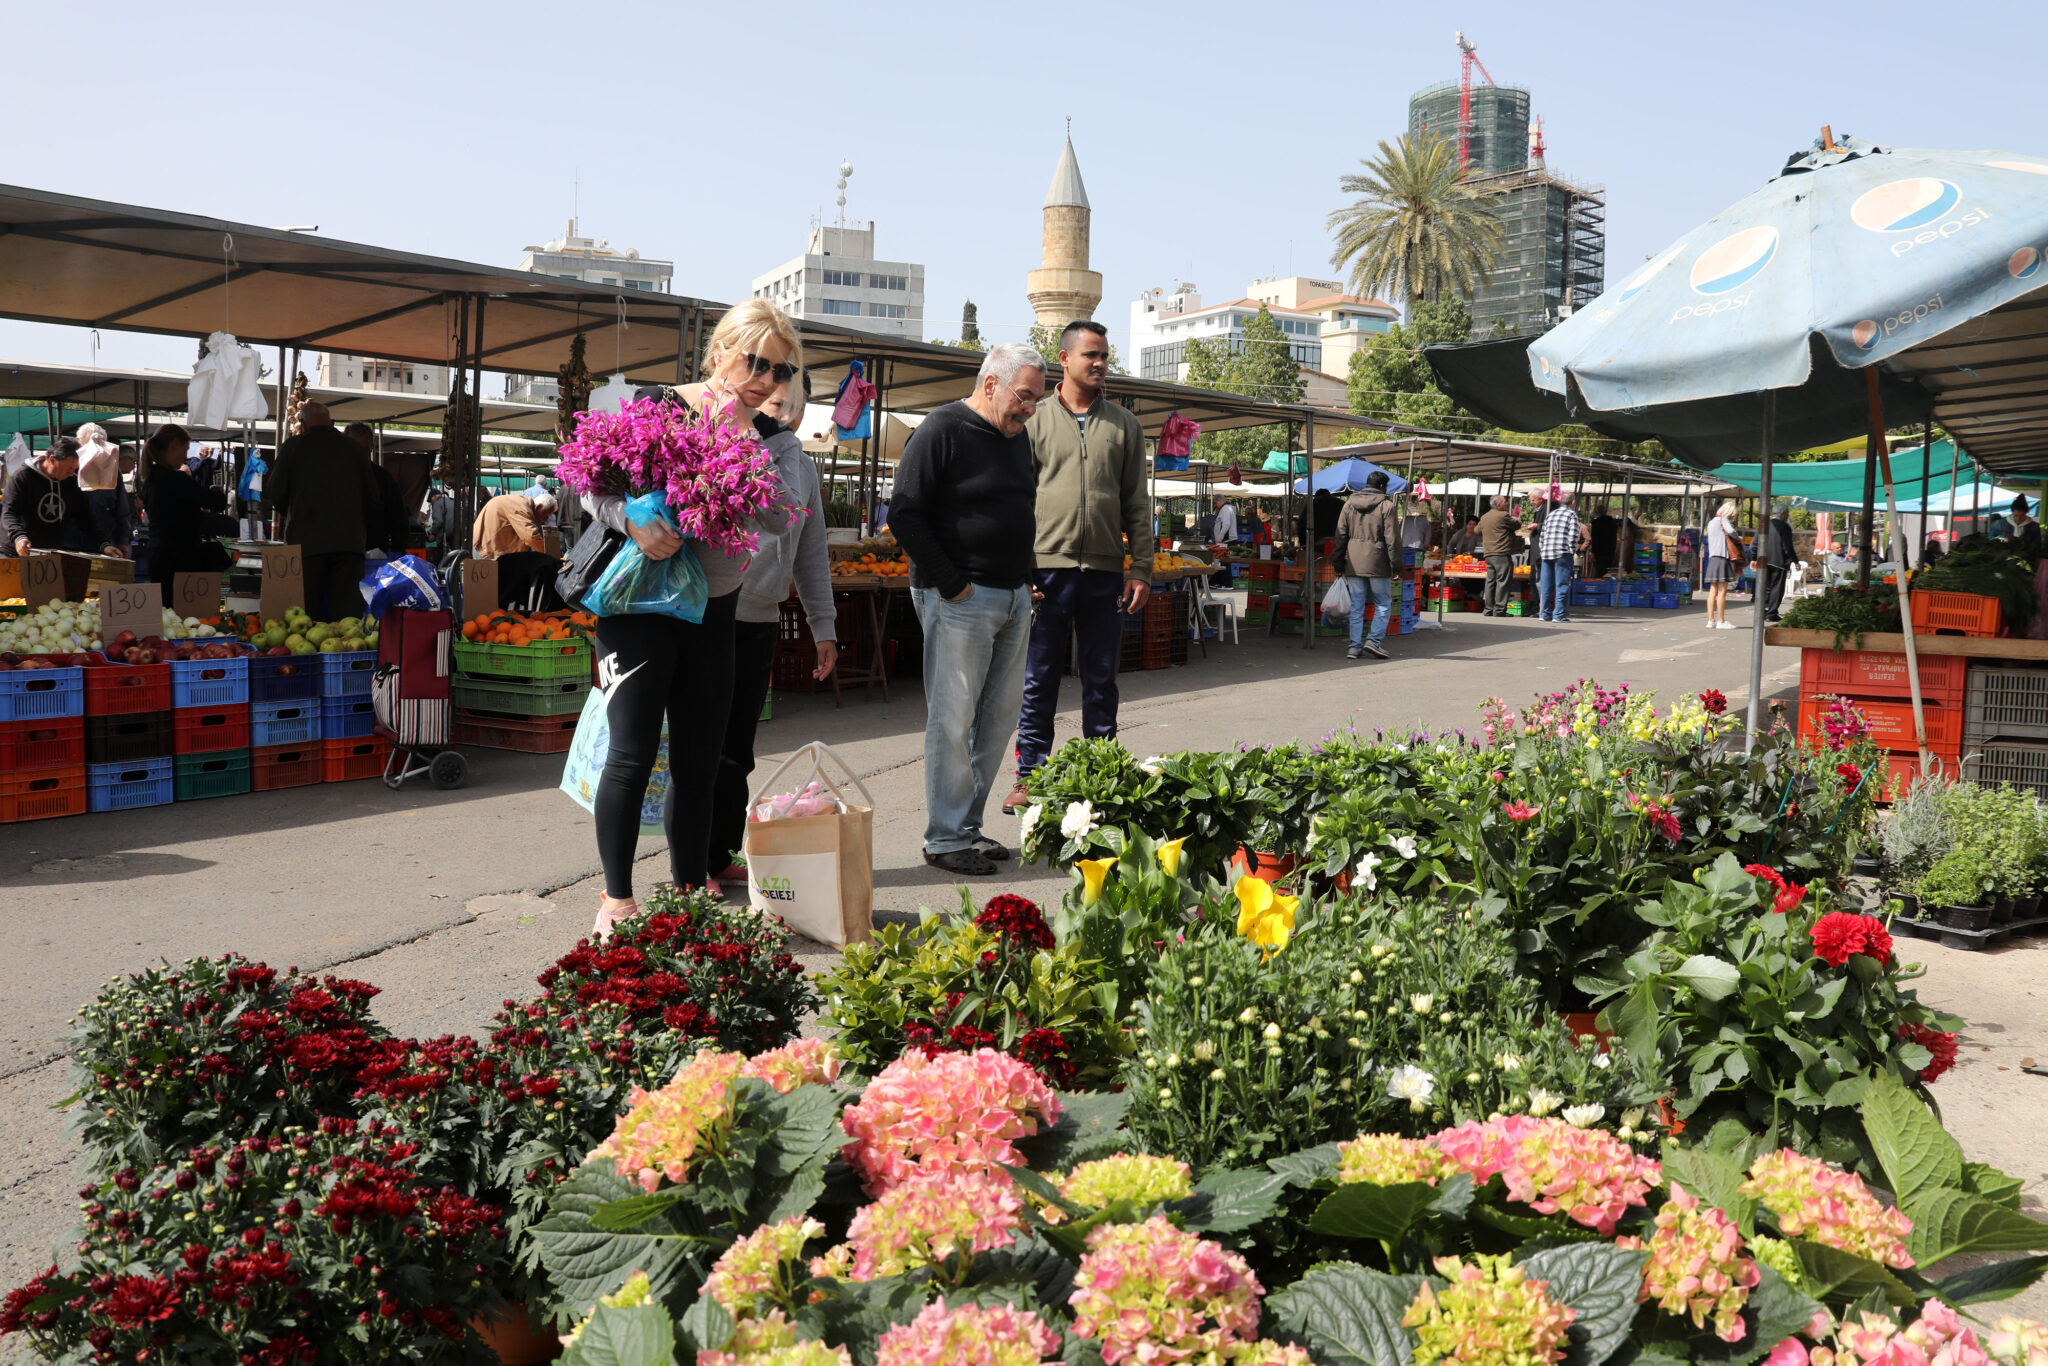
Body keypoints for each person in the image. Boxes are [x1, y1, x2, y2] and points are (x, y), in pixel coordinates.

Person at [586, 298, 804, 936]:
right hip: (639, 607)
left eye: (780, 371)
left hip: (717, 609)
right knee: (630, 754)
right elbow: (589, 484)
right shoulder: (661, 404)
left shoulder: (772, 439)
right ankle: (616, 901)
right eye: (755, 362)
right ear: (720, 353)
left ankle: (687, 899)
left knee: (700, 761)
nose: (765, 379)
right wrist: (630, 518)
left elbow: (783, 516)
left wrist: (743, 453)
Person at [890, 342, 1044, 876]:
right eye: (1023, 397)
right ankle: (943, 839)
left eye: (1035, 401)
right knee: (953, 720)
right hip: (960, 598)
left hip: (1011, 597)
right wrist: (953, 586)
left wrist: (1026, 580)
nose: (1028, 409)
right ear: (990, 383)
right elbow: (904, 514)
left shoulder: (1019, 439)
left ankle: (967, 827)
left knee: (998, 719)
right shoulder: (941, 429)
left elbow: (1018, 509)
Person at [1009, 320, 1150, 814]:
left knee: (1101, 677)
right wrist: (1020, 570)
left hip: (1107, 571)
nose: (1100, 363)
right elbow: (1018, 500)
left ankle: (1102, 774)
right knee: (1039, 677)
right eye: (1091, 354)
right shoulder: (1034, 420)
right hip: (1046, 570)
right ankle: (1030, 776)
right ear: (1063, 360)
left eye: (1104, 355)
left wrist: (1142, 569)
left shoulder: (1124, 425)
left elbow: (1138, 503)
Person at [711, 371, 838, 883]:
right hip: (714, 612)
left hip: (762, 616)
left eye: (792, 408)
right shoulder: (730, 450)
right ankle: (693, 865)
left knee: (738, 751)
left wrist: (822, 626)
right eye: (775, 404)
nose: (781, 417)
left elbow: (811, 551)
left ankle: (719, 853)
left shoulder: (803, 469)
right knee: (706, 747)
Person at [266, 401, 384, 618]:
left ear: (301, 424)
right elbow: (373, 497)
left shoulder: (293, 447)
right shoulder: (355, 449)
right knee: (346, 618)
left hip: (306, 544)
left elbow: (275, 493)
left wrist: (297, 514)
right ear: (332, 423)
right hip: (349, 544)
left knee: (305, 614)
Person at [138, 423, 236, 582]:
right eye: (185, 449)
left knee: (164, 606)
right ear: (174, 445)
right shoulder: (176, 479)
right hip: (179, 558)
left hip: (157, 555)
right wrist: (219, 491)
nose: (186, 456)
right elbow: (216, 502)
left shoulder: (150, 480)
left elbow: (174, 512)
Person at [3, 437, 127, 558]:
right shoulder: (22, 477)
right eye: (69, 468)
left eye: (74, 469)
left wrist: (104, 545)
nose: (71, 473)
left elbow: (86, 519)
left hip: (48, 555)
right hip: (13, 552)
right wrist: (19, 537)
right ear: (52, 459)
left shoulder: (71, 483)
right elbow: (9, 513)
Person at [1335, 469, 1401, 660]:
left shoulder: (1348, 504)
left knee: (1357, 605)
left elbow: (1340, 536)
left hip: (1354, 562)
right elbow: (1393, 540)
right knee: (1382, 603)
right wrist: (1396, 566)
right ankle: (1373, 641)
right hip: (1378, 562)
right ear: (1382, 486)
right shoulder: (1387, 506)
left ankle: (1354, 647)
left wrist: (1338, 563)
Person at [343, 423, 410, 554]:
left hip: (372, 551)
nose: (359, 454)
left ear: (371, 447)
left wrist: (397, 550)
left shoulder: (382, 478)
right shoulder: (334, 475)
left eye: (362, 449)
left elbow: (398, 517)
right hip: (344, 551)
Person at [74, 423, 132, 554]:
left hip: (105, 542)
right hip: (72, 542)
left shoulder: (112, 471)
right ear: (78, 443)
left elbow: (122, 509)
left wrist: (122, 540)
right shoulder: (70, 468)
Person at [1537, 491, 1584, 623]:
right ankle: (1558, 615)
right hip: (1562, 553)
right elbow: (1573, 535)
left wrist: (1543, 550)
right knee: (1561, 584)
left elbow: (1543, 535)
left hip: (1547, 553)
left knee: (1546, 585)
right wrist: (1571, 550)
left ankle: (1544, 613)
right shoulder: (1571, 514)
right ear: (1572, 502)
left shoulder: (1551, 514)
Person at [472, 488, 559, 559]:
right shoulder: (522, 507)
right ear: (538, 506)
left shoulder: (522, 503)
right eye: (545, 514)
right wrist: (551, 554)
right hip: (485, 552)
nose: (545, 519)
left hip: (489, 550)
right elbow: (530, 537)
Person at [1477, 495, 1520, 617]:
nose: (1507, 504)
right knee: (1503, 581)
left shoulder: (1484, 517)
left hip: (1488, 553)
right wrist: (1515, 517)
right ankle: (1499, 610)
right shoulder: (1503, 516)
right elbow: (1517, 525)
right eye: (1505, 502)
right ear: (1499, 505)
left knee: (1490, 581)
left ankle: (1488, 609)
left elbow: (1476, 530)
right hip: (1501, 553)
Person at [1703, 499, 1742, 629]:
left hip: (1713, 557)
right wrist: (1738, 538)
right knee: (1722, 591)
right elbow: (1731, 532)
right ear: (1728, 512)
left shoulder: (1711, 522)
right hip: (1722, 557)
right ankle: (1721, 621)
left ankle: (1711, 620)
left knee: (1712, 591)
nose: (1731, 517)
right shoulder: (1723, 520)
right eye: (1732, 514)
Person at [1763, 500, 1797, 623]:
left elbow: (1755, 544)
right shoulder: (1784, 526)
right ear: (1783, 513)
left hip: (1764, 561)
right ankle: (1771, 613)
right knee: (1777, 589)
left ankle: (1764, 611)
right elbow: (1788, 547)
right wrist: (1795, 561)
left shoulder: (1765, 524)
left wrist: (1754, 558)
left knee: (1766, 588)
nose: (1788, 515)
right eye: (1787, 513)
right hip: (1779, 562)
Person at [1588, 501, 1620, 577]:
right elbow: (1614, 537)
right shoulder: (1612, 522)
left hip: (1599, 551)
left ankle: (1600, 585)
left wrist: (1593, 552)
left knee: (1599, 571)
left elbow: (1594, 539)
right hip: (1609, 551)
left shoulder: (1596, 523)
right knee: (1608, 571)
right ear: (1605, 511)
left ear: (1597, 512)